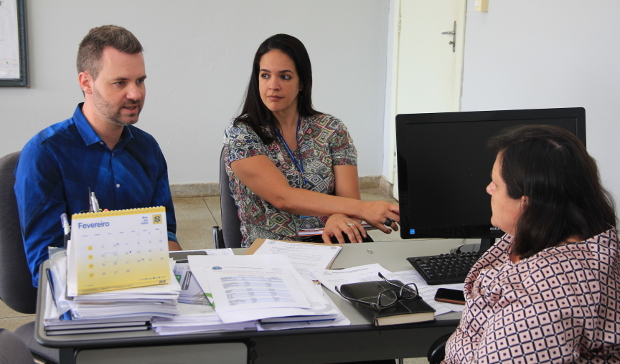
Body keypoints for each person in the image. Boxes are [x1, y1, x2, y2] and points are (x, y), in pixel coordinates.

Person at [15, 25, 182, 287]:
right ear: (86, 82)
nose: (135, 94)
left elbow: (166, 234)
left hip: (149, 296)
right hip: (82, 301)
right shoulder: (46, 154)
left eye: (140, 80)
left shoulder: (147, 148)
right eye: (120, 83)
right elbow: (45, 267)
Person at [444, 125, 620, 363]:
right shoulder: (590, 240)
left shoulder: (540, 300)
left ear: (526, 205)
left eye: (496, 183)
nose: (489, 189)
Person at [223, 34, 400, 247]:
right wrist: (363, 209)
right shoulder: (242, 134)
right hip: (271, 252)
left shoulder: (332, 129)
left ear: (302, 83)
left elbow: (350, 202)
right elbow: (283, 198)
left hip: (331, 244)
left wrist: (341, 218)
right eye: (265, 75)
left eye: (285, 77)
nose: (273, 85)